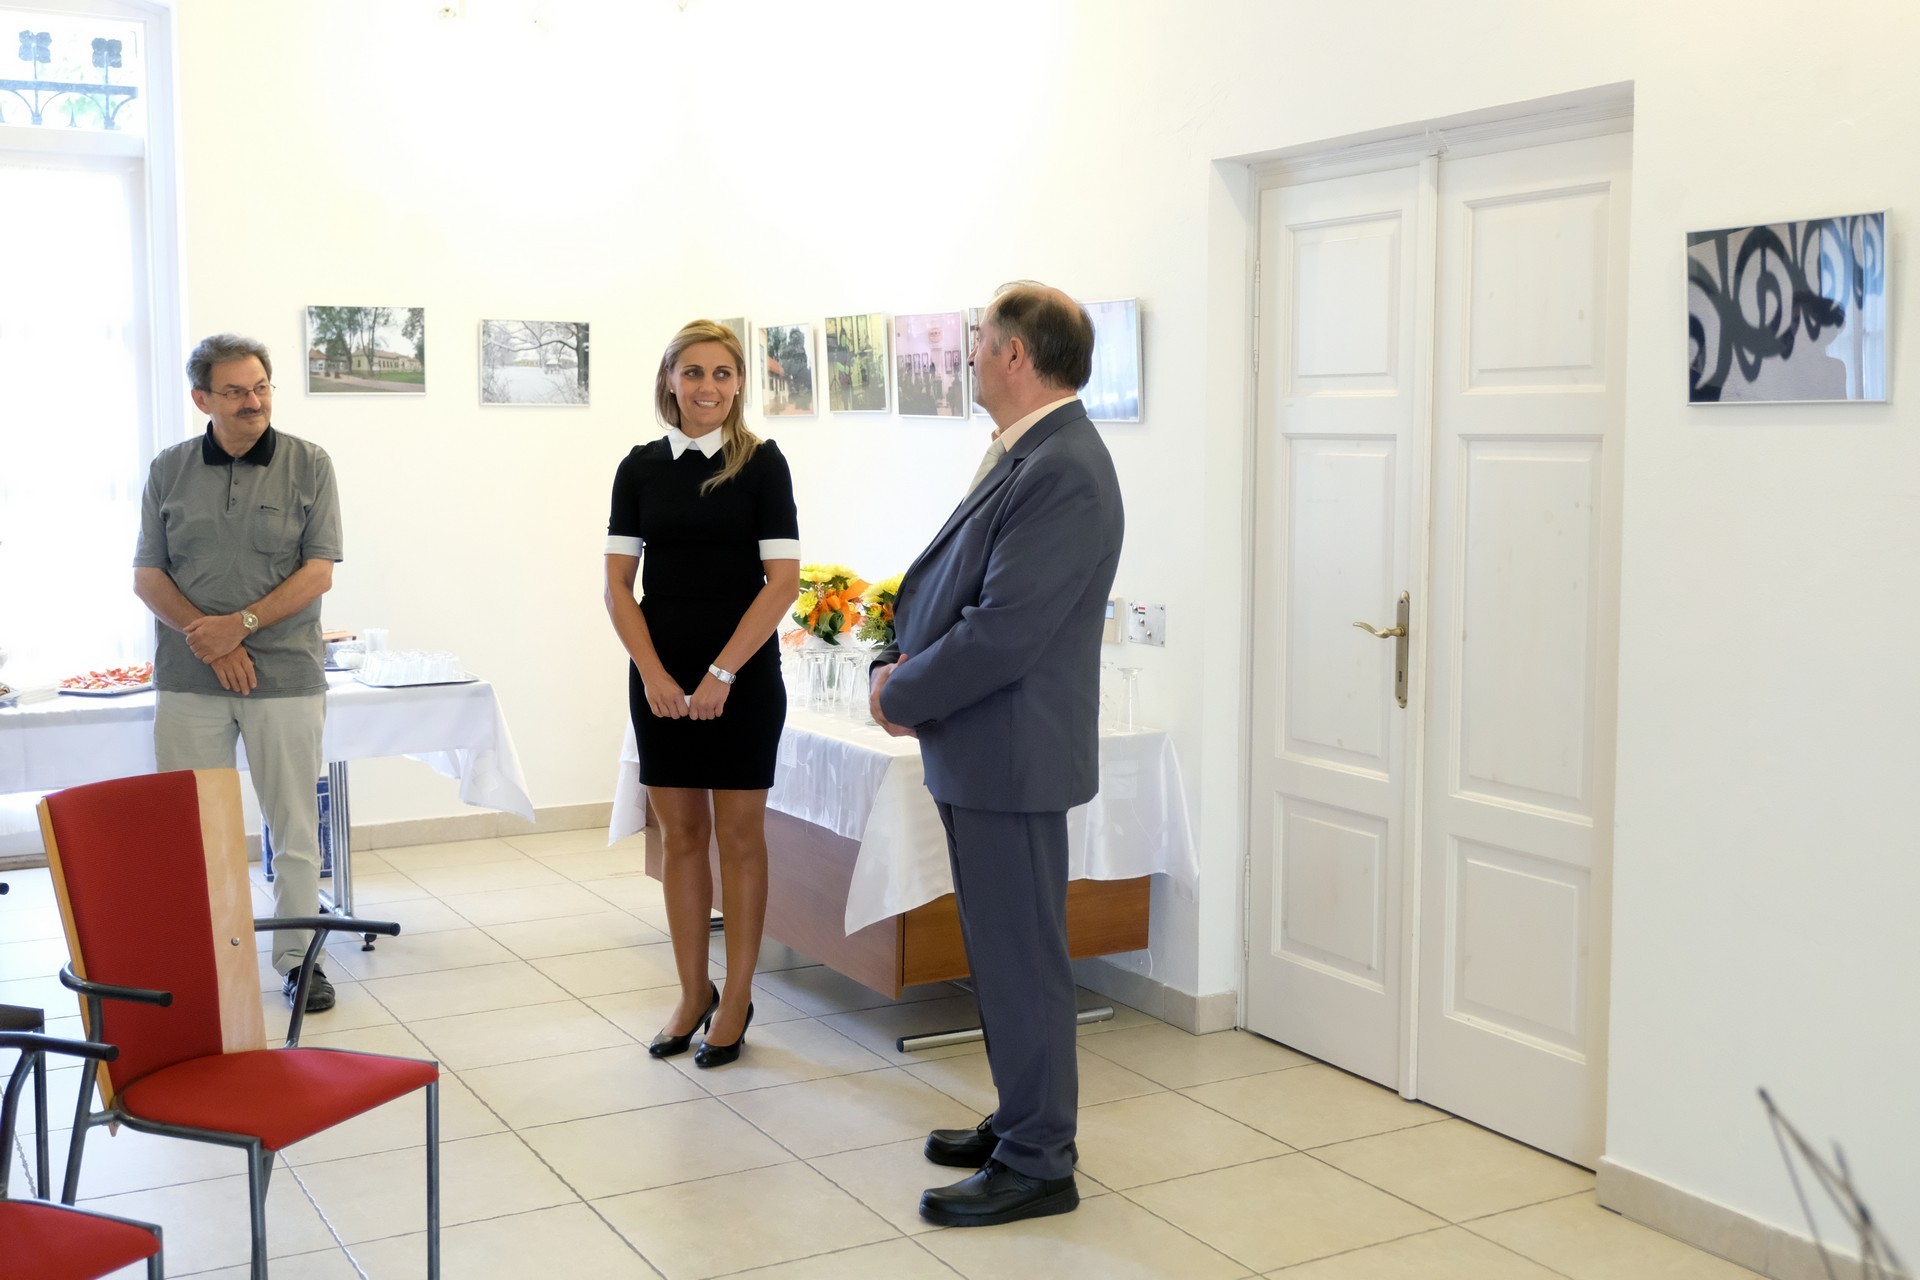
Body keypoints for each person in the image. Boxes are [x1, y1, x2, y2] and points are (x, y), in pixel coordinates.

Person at [869, 282, 1125, 1227]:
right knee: (1003, 952)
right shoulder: (1030, 451)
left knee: (1022, 958)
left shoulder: (1064, 467)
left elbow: (1003, 632)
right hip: (985, 748)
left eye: (978, 340)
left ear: (1016, 354)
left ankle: (1038, 1159)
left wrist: (900, 692)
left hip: (1011, 754)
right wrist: (896, 658)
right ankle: (1023, 1117)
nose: (967, 354)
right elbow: (959, 586)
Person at [605, 319, 800, 1069]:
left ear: (741, 382)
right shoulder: (639, 467)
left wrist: (721, 674)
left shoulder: (763, 465)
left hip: (741, 676)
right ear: (669, 380)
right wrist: (653, 674)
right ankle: (693, 993)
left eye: (722, 373)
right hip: (659, 675)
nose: (708, 387)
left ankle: (738, 996)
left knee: (740, 838)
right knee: (680, 837)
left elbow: (781, 583)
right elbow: (617, 588)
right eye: (692, 372)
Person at [134, 335, 344, 1012]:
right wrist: (214, 641)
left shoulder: (310, 464)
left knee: (294, 828)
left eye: (261, 387)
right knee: (193, 829)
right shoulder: (168, 469)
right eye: (235, 392)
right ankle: (203, 960)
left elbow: (318, 572)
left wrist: (240, 626)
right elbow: (148, 576)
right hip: (190, 678)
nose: (253, 402)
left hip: (285, 677)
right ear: (202, 399)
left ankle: (299, 960)